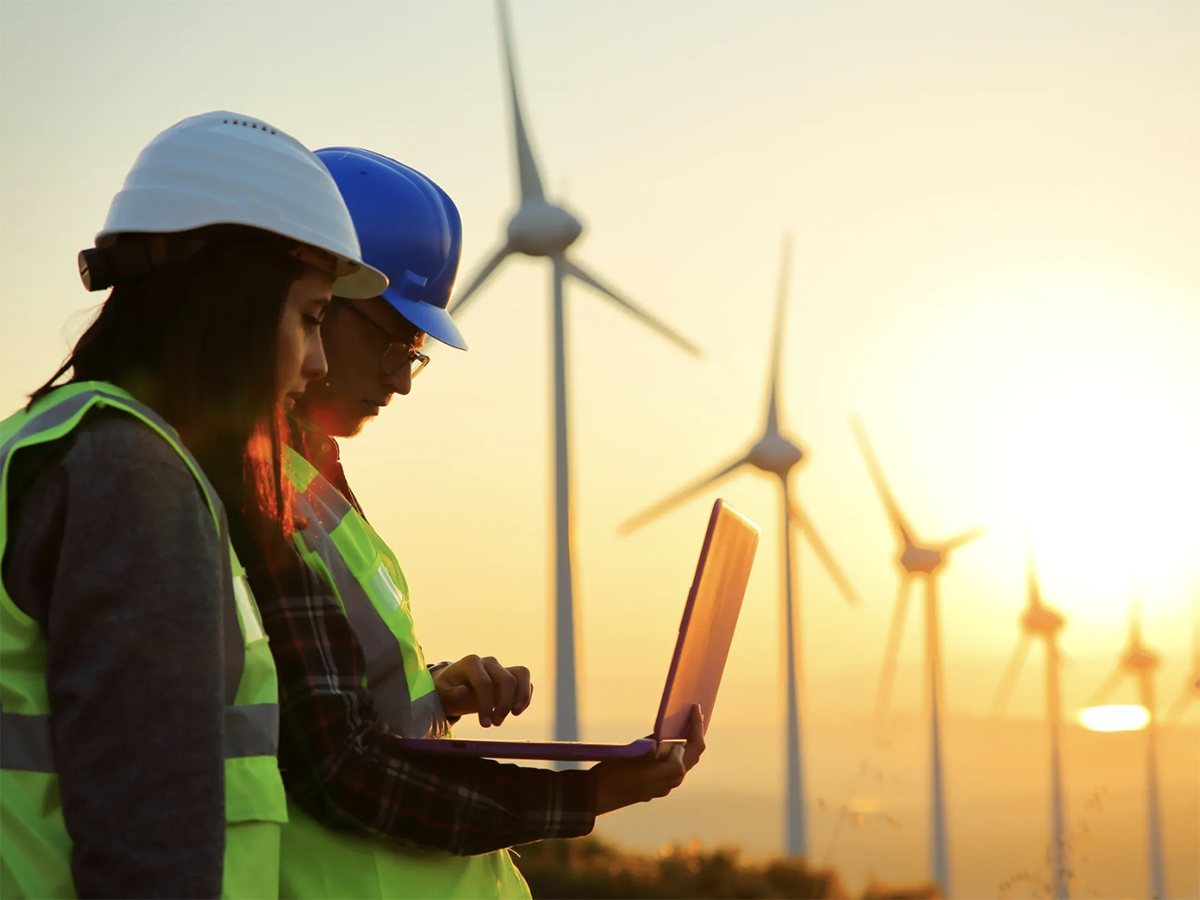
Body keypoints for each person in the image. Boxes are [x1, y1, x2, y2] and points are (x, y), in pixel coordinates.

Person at [240, 147, 704, 900]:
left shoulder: (313, 478)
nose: (401, 379)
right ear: (310, 297)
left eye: (416, 353)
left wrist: (433, 694)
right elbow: (336, 768)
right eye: (392, 341)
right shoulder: (250, 491)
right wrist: (587, 796)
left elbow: (326, 695)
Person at [0, 112, 387, 899]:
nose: (316, 362)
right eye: (311, 318)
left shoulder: (56, 442)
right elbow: (147, 833)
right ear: (232, 300)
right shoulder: (131, 478)